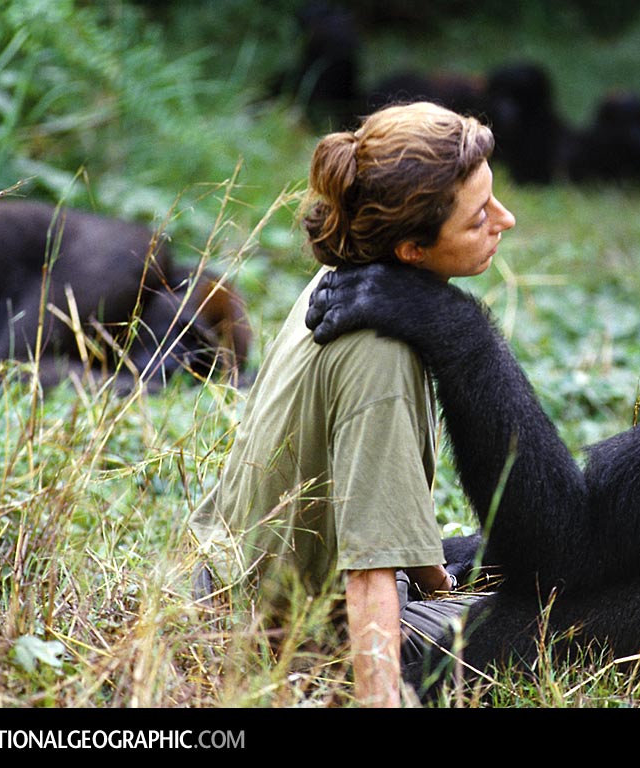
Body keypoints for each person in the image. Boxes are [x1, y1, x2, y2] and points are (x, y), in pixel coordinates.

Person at [188, 101, 516, 707]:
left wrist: (436, 582)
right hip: (296, 636)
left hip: (226, 581)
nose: (507, 220)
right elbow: (369, 572)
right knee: (570, 612)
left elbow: (376, 526)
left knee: (506, 563)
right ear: (414, 248)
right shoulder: (380, 353)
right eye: (478, 219)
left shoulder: (345, 277)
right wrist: (381, 699)